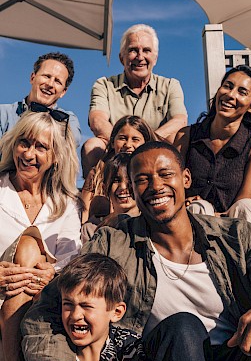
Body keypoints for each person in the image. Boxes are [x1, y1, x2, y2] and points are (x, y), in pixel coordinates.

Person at [21, 142, 251, 361]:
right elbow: (43, 313)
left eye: (165, 174)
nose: (156, 186)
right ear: (134, 191)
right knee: (182, 326)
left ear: (186, 178)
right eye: (142, 179)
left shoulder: (235, 236)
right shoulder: (114, 243)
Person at [0, 108, 82, 361]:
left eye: (40, 147)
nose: (29, 153)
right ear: (13, 145)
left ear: (55, 157)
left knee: (33, 253)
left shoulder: (66, 203)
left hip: (43, 298)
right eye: (24, 143)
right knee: (28, 244)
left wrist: (53, 274)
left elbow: (72, 263)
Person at [174, 65, 251, 247]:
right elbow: (172, 183)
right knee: (199, 208)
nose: (231, 95)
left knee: (248, 206)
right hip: (193, 225)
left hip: (235, 227)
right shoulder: (186, 136)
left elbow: (240, 205)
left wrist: (217, 217)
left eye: (242, 92)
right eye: (228, 86)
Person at [31, 253, 162, 361]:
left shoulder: (126, 345)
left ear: (116, 312)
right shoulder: (59, 349)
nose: (76, 315)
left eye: (87, 306)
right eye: (68, 304)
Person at [81, 24, 187, 178]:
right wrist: (123, 144)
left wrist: (145, 143)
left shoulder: (171, 85)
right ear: (121, 58)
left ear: (155, 58)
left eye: (146, 50)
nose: (140, 56)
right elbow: (97, 120)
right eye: (133, 50)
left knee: (177, 139)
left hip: (155, 151)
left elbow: (180, 120)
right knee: (92, 146)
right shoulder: (104, 85)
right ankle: (94, 197)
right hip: (114, 153)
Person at [81, 115, 157, 223]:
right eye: (122, 138)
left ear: (146, 143)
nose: (128, 145)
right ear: (112, 142)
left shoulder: (153, 174)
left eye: (135, 139)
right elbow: (84, 213)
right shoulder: (97, 173)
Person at [0, 52, 82, 147]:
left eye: (57, 81)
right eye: (47, 76)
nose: (50, 84)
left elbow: (68, 146)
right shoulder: (3, 113)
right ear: (32, 78)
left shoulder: (68, 120)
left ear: (63, 92)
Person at [81, 153, 139, 243]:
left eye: (129, 180)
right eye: (116, 180)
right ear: (104, 189)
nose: (123, 187)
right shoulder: (92, 229)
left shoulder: (153, 225)